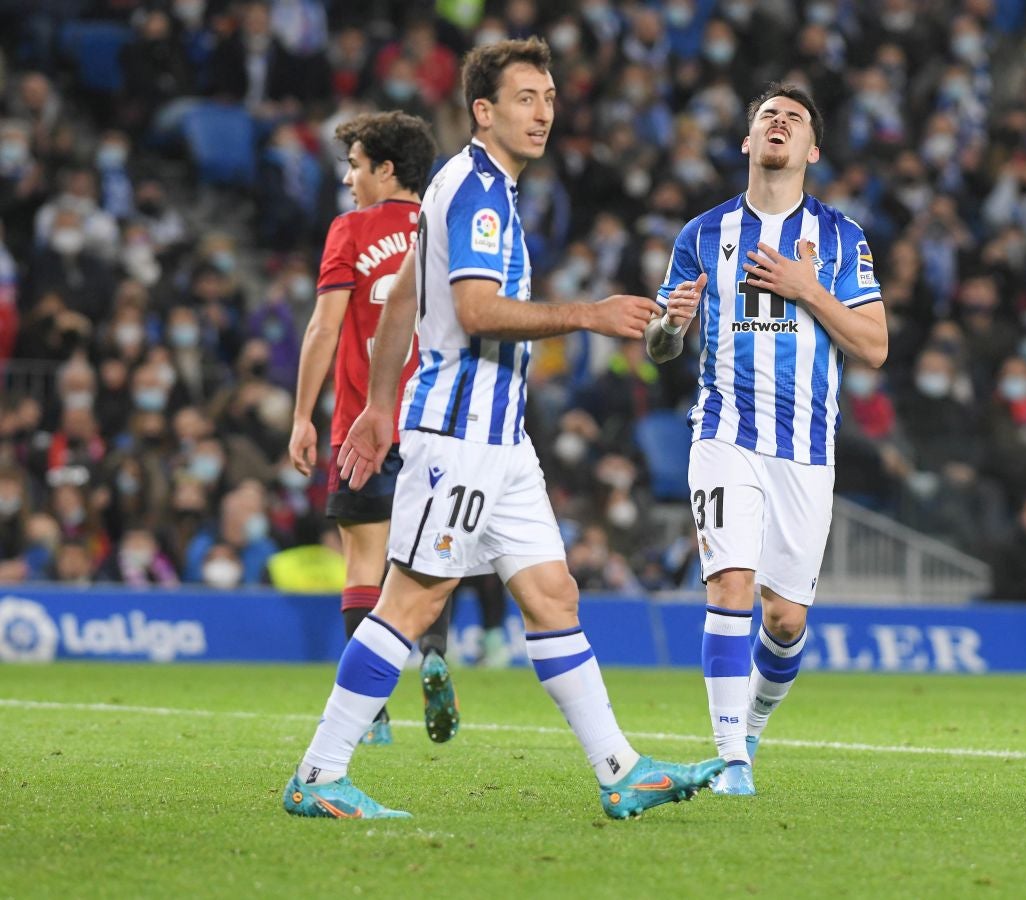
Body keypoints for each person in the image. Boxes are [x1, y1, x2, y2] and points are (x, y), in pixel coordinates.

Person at [283, 38, 724, 821]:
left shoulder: (457, 186)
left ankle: (619, 770)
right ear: (483, 111)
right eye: (526, 97)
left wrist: (380, 408)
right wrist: (587, 315)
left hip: (500, 440)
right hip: (460, 436)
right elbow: (480, 311)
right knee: (411, 603)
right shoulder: (480, 191)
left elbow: (396, 307)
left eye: (549, 97)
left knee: (554, 595)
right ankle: (319, 774)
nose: (544, 111)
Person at [646, 83, 887, 796]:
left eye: (795, 119)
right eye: (766, 117)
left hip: (807, 447)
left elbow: (873, 346)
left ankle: (748, 731)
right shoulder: (702, 235)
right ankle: (730, 759)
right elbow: (661, 346)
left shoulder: (842, 239)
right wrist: (669, 329)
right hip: (725, 432)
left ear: (812, 150)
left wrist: (809, 290)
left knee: (784, 619)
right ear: (749, 143)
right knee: (731, 582)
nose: (778, 124)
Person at [288, 110, 455, 747]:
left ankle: (372, 714)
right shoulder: (447, 229)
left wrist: (303, 415)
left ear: (386, 170)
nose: (349, 177)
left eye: (356, 165)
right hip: (439, 422)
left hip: (364, 423)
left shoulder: (351, 230)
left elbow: (323, 328)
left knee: (364, 561)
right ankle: (434, 651)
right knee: (437, 553)